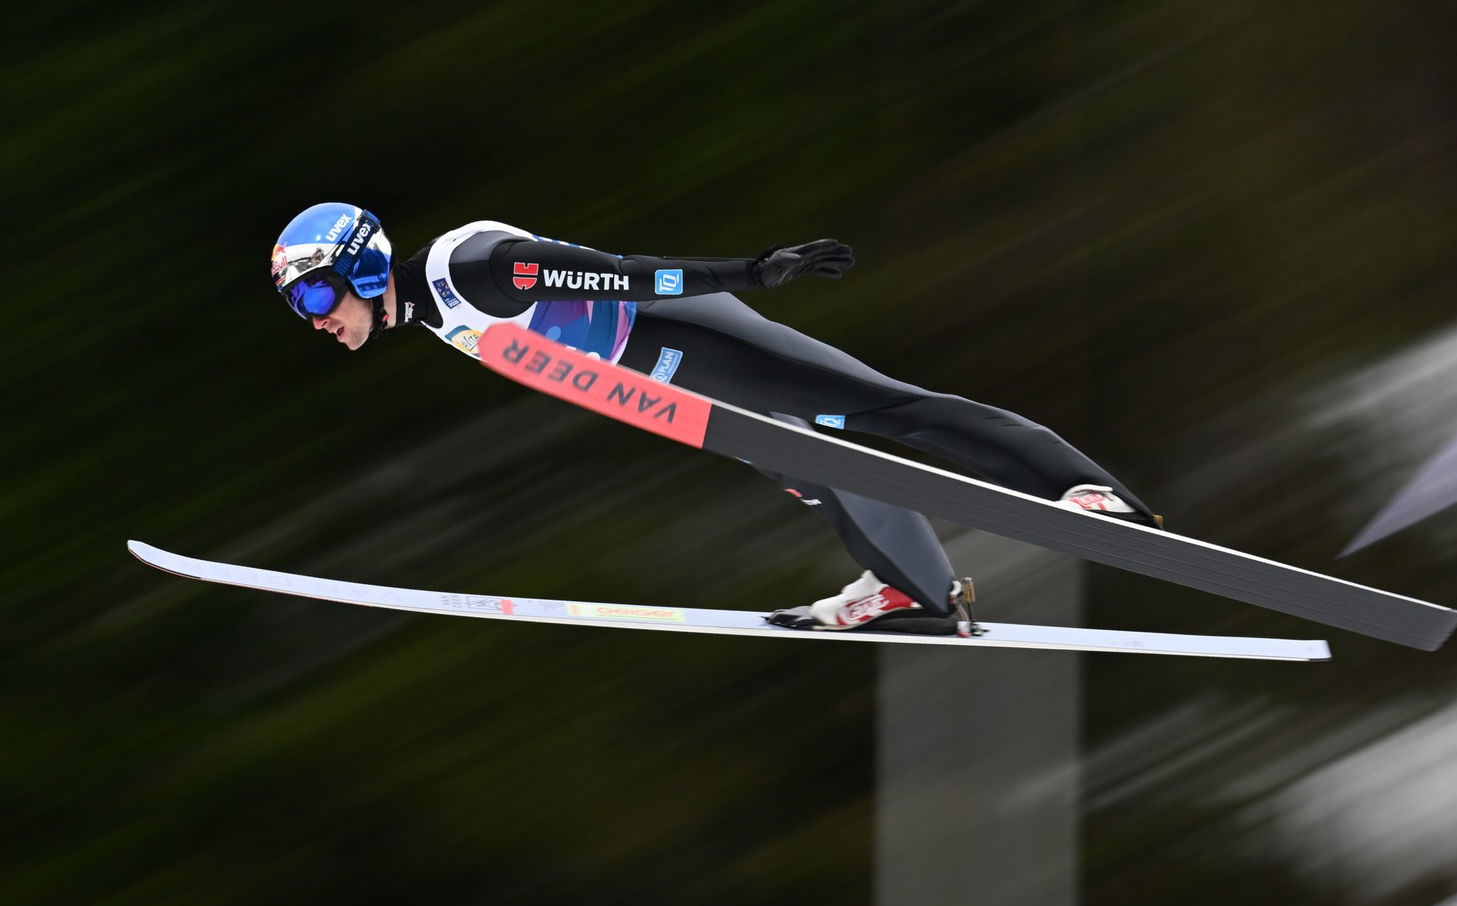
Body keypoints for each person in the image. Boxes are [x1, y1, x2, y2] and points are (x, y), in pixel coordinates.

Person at [270, 202, 1162, 634]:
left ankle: (1087, 491)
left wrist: (751, 271)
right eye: (297, 307)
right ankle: (916, 594)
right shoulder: (434, 315)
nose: (315, 318)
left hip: (692, 336)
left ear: (362, 262)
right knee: (822, 474)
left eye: (315, 290)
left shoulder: (470, 271)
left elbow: (620, 274)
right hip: (672, 387)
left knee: (887, 412)